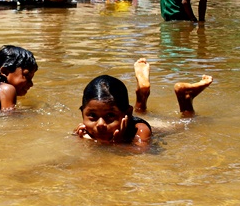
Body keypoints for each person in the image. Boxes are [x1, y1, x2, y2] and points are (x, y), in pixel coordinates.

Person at [74, 58, 213, 147]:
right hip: (129, 115)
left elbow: (141, 155)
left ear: (127, 113)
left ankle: (186, 97)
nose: (100, 124)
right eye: (92, 115)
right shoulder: (87, 128)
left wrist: (118, 143)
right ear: (82, 113)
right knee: (140, 110)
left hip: (157, 125)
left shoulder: (141, 130)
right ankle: (142, 92)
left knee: (187, 122)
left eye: (110, 115)